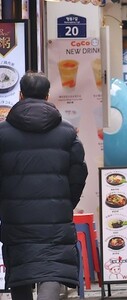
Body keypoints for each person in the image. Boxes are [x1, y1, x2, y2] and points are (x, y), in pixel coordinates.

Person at [0, 73, 88, 300]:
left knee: (21, 271)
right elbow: (79, 173)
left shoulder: (2, 133)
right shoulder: (67, 132)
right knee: (52, 269)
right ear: (48, 96)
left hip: (16, 219)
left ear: (20, 95)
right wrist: (67, 202)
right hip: (55, 219)